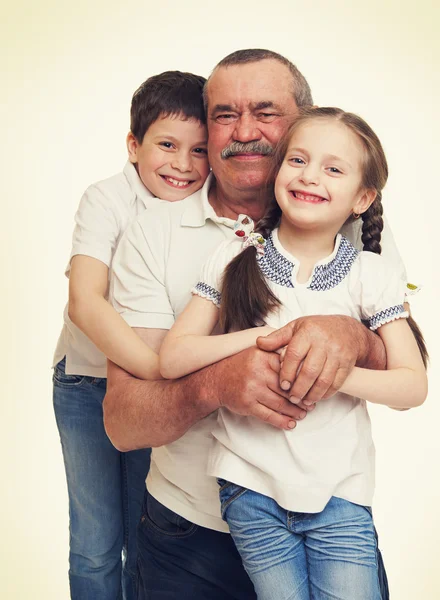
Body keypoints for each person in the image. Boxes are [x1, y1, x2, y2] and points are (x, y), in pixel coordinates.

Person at [105, 49, 408, 599]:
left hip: (329, 510)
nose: (244, 131)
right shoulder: (154, 235)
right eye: (224, 114)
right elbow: (125, 425)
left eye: (265, 112)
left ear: (303, 123)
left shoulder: (341, 221)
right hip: (188, 532)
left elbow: (407, 371)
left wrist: (350, 336)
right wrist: (220, 380)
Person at [158, 106, 428, 600]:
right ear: (278, 171)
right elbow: (173, 358)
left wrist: (331, 368)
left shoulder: (372, 275)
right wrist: (274, 337)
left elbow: (412, 387)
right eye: (298, 160)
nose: (310, 177)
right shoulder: (235, 257)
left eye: (333, 169)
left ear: (362, 198)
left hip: (341, 492)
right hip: (249, 486)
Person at [52, 70, 209, 600]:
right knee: (96, 543)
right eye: (167, 145)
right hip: (87, 383)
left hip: (155, 393)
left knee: (151, 535)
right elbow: (86, 301)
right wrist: (164, 370)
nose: (184, 165)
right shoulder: (105, 199)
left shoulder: (208, 212)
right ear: (133, 145)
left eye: (200, 150)